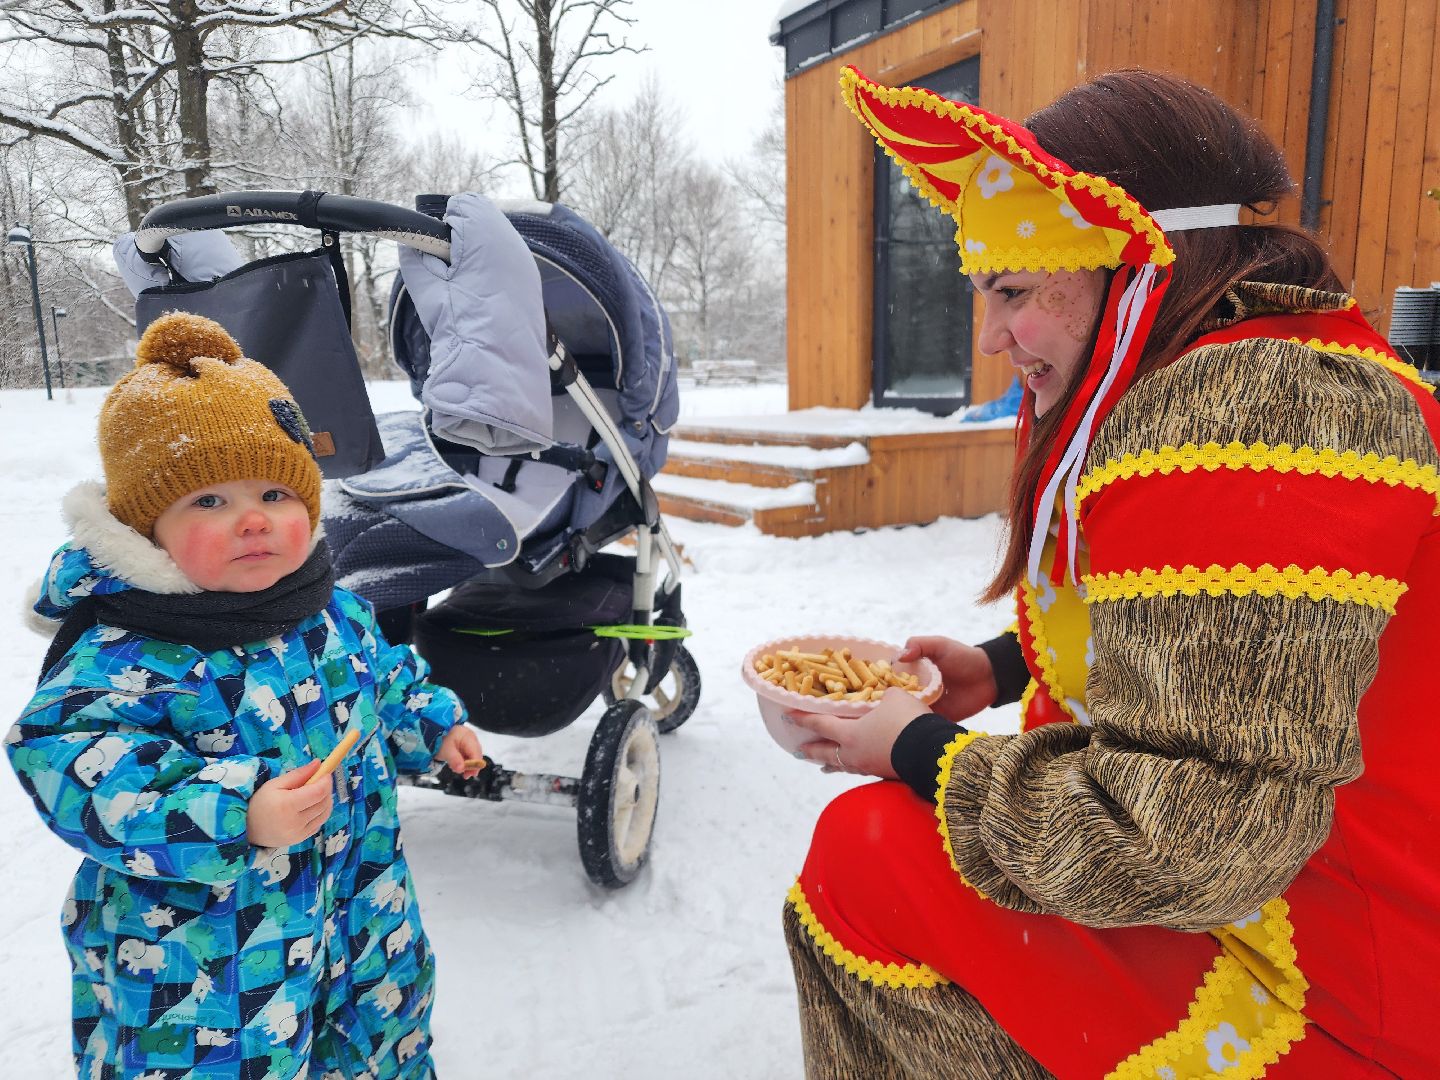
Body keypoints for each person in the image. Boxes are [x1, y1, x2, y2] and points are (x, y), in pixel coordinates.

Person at [782, 66, 1440, 1079]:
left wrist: (920, 752)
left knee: (868, 855)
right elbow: (1228, 642)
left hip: (1332, 986)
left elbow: (1190, 841)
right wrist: (1001, 670)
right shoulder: (1265, 365)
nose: (994, 340)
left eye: (1014, 291)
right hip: (1316, 922)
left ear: (1135, 265)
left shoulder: (1247, 420)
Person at [7, 312, 485, 1078]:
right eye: (208, 502)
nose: (254, 519)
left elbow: (380, 674)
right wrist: (237, 812)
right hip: (208, 980)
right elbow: (73, 763)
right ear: (148, 526)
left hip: (362, 921)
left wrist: (431, 721)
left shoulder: (327, 610)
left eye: (273, 490)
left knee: (379, 1046)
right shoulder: (128, 646)